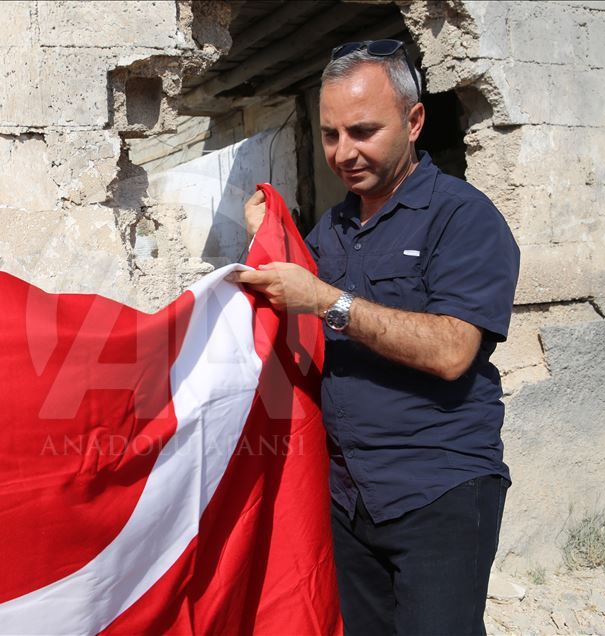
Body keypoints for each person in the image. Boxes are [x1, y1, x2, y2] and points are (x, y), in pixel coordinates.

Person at [232, 40, 520, 635]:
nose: (343, 153)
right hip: (348, 497)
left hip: (438, 491)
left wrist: (326, 300)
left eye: (363, 132)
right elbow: (284, 317)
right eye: (331, 134)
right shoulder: (333, 227)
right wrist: (265, 243)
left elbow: (451, 351)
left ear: (414, 122)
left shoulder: (462, 217)